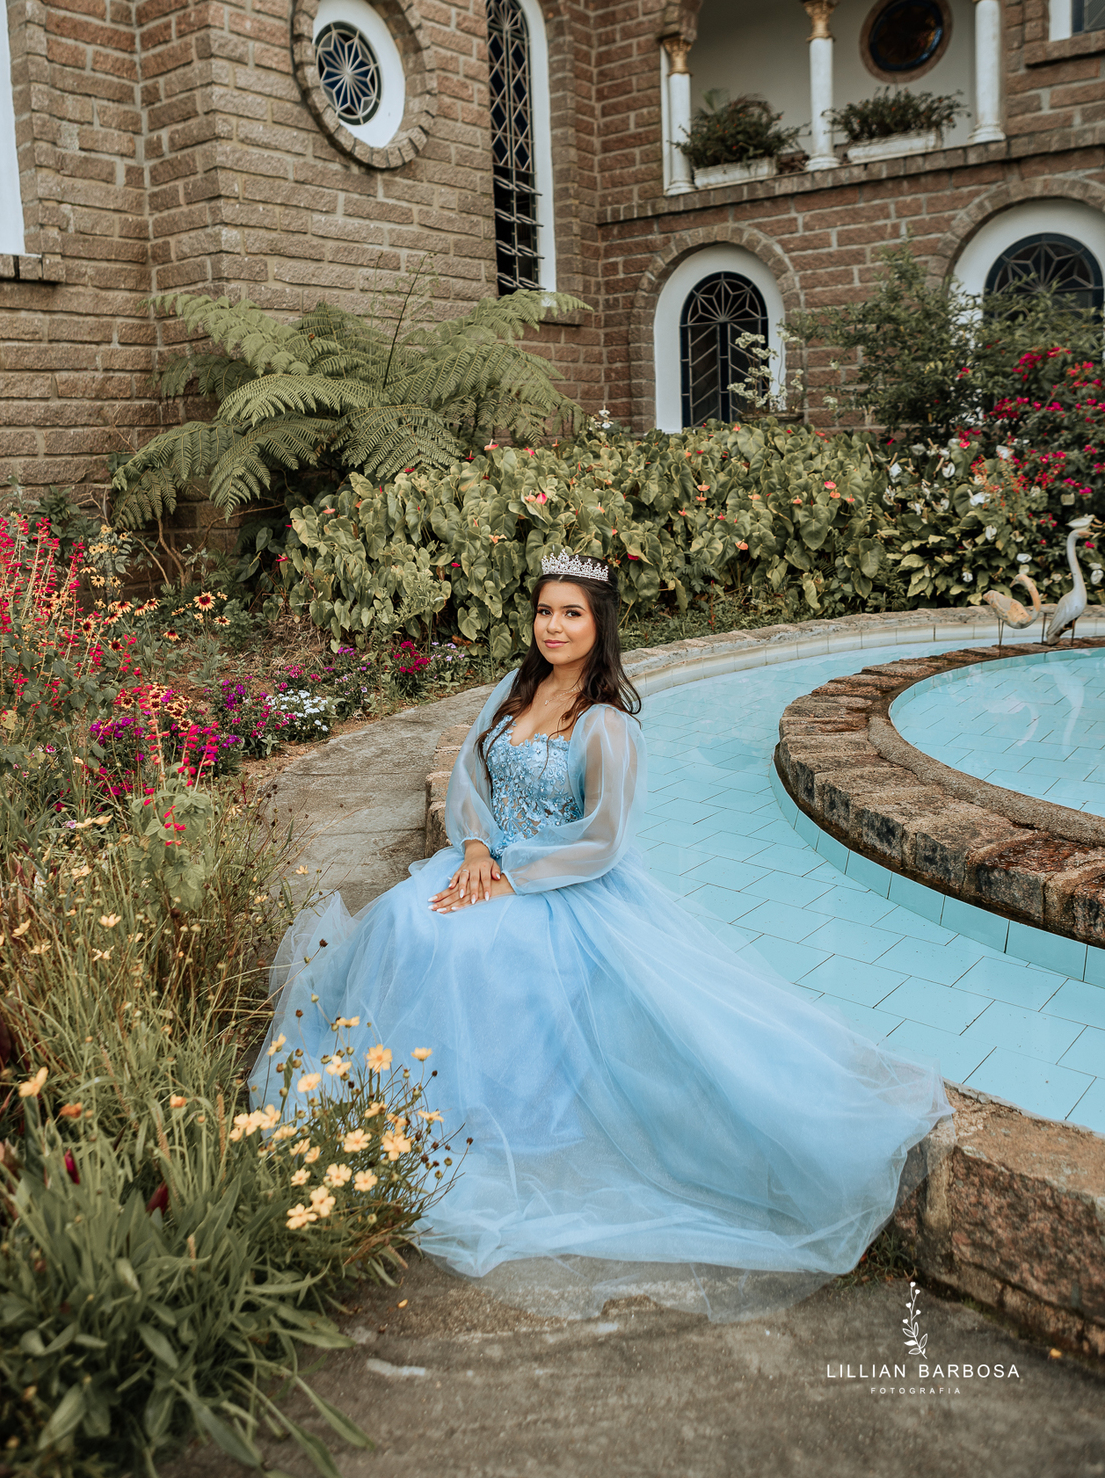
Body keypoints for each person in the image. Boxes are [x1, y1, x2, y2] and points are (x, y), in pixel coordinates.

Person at [254, 549, 954, 1322]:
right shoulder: (515, 692)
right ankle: (387, 1102)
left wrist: (513, 874)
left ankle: (484, 1124)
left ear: (599, 625)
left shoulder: (607, 725)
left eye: (572, 613)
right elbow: (467, 783)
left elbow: (602, 842)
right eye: (545, 611)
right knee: (400, 920)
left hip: (559, 882)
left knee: (465, 948)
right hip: (481, 862)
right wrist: (479, 850)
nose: (554, 626)